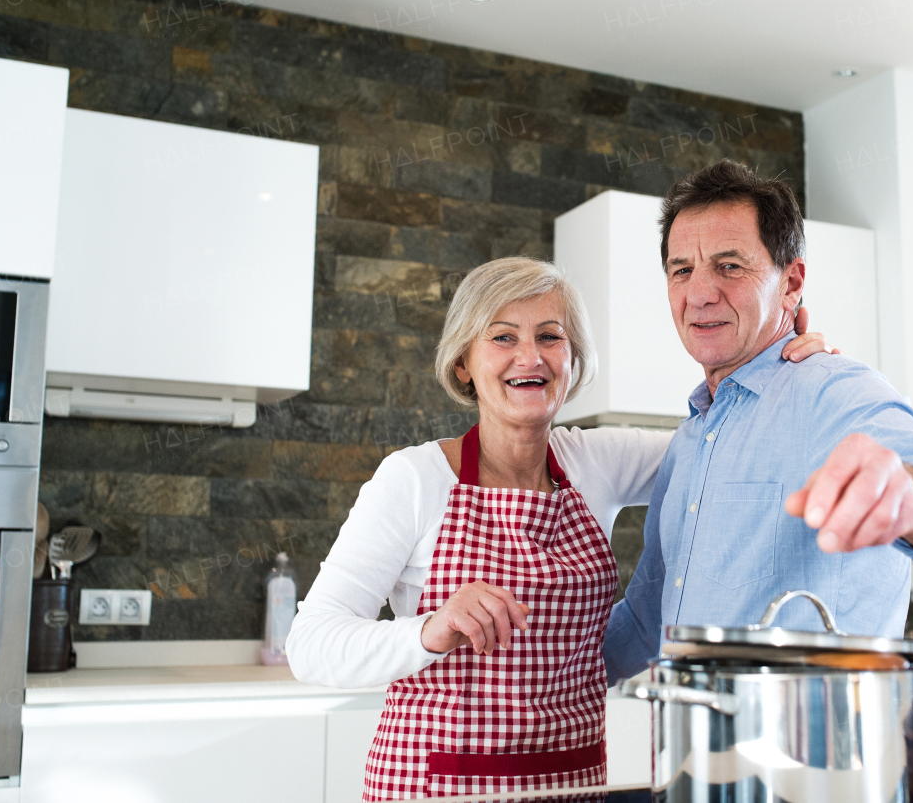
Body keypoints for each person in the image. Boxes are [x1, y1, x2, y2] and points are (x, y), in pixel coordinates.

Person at [285, 256, 831, 800]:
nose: (532, 356)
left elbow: (726, 451)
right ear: (462, 365)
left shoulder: (601, 461)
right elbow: (310, 645)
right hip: (439, 785)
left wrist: (792, 369)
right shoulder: (415, 478)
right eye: (502, 337)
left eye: (551, 336)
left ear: (572, 361)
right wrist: (429, 629)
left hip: (571, 780)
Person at [604, 160, 913, 683]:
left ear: (791, 281)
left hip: (820, 757)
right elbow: (645, 622)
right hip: (698, 752)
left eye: (730, 266)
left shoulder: (832, 391)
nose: (699, 292)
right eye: (682, 269)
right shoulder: (689, 442)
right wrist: (525, 677)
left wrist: (907, 496)